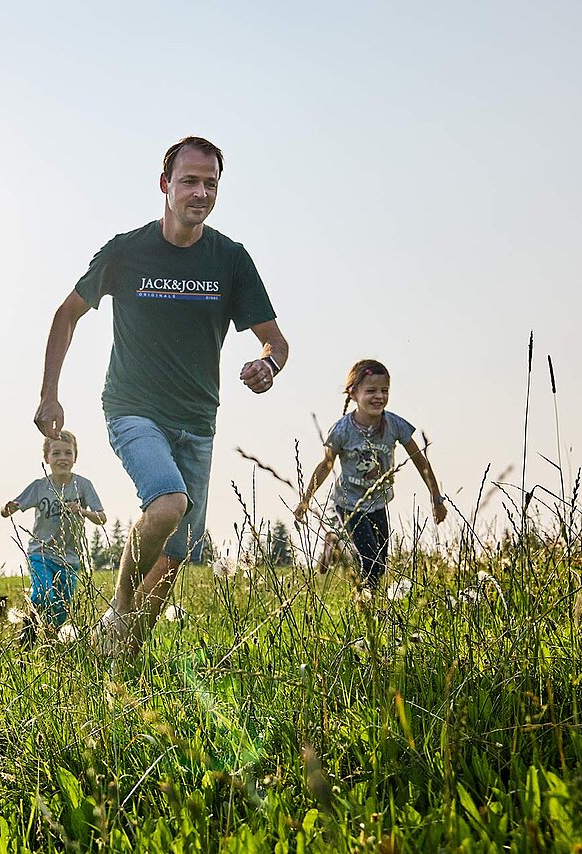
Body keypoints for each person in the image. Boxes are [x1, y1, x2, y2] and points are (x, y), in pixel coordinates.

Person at [33, 136, 289, 656]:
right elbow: (66, 315)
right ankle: (120, 605)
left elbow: (275, 341)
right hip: (133, 408)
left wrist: (268, 364)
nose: (200, 192)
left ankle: (118, 654)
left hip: (197, 419)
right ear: (164, 185)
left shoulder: (231, 260)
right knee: (169, 503)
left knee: (174, 556)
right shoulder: (126, 251)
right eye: (190, 181)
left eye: (210, 184)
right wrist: (50, 395)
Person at [294, 359, 447, 588]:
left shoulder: (395, 425)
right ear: (353, 393)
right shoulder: (342, 430)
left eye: (384, 391)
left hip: (378, 502)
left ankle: (335, 543)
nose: (379, 396)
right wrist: (305, 500)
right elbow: (326, 465)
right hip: (349, 504)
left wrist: (437, 499)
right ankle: (365, 605)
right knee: (371, 562)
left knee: (381, 563)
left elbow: (420, 461)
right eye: (371, 391)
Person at [1, 430, 106, 644]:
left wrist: (82, 511)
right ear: (46, 458)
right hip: (40, 552)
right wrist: (6, 508)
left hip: (70, 558)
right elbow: (8, 509)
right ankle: (27, 636)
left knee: (61, 608)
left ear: (75, 457)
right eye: (56, 453)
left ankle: (50, 644)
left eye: (68, 453)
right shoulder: (40, 486)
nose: (62, 458)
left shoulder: (83, 485)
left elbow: (102, 517)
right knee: (42, 595)